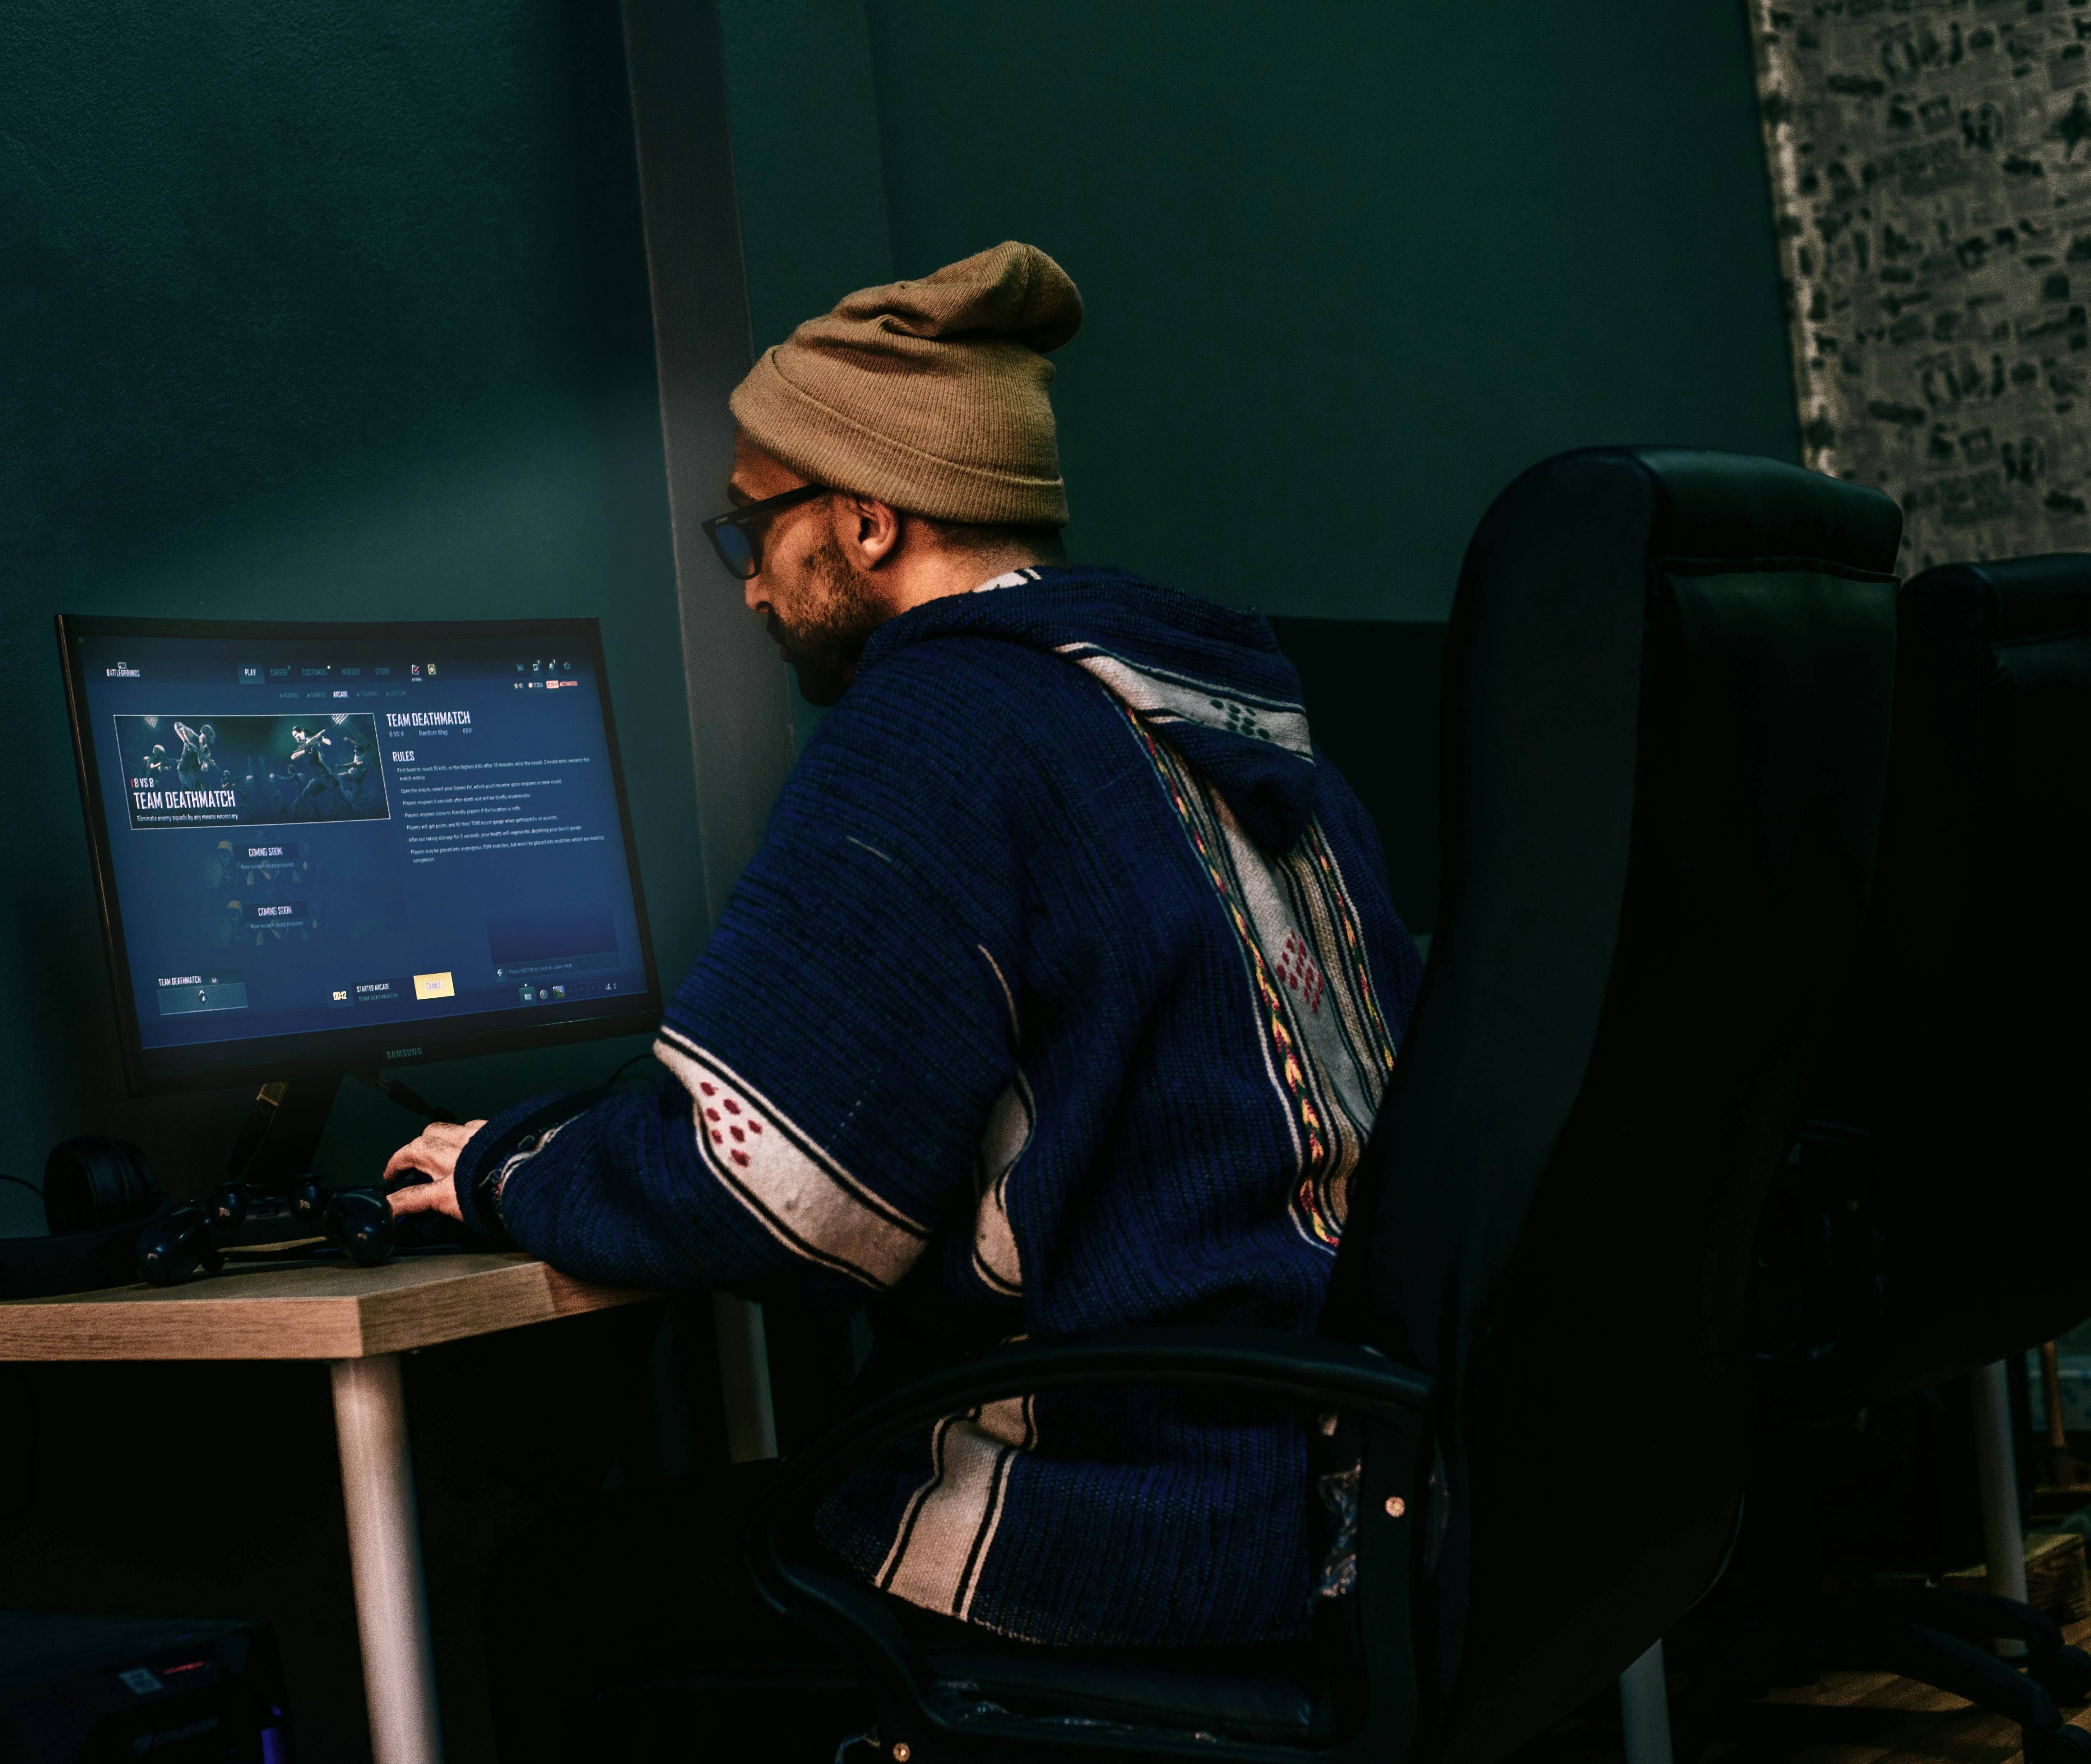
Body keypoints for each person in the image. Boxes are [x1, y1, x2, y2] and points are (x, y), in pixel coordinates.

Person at [382, 241, 1421, 1743]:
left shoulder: (939, 719)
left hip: (1127, 1522)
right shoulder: (1229, 722)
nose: (747, 590)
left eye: (753, 530)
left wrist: (503, 1162)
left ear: (865, 520)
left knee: (561, 1592)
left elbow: (767, 1193)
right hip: (1336, 1486)